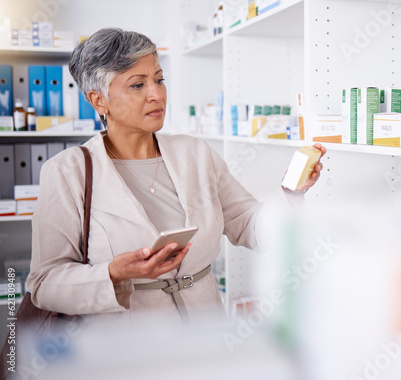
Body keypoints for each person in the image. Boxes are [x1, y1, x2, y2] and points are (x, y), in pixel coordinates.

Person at [26, 28, 326, 325]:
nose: (156, 94)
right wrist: (113, 274)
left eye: (159, 79)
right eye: (137, 85)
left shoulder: (194, 153)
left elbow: (248, 224)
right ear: (99, 100)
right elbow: (45, 283)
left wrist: (291, 192)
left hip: (205, 332)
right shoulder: (68, 172)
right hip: (125, 347)